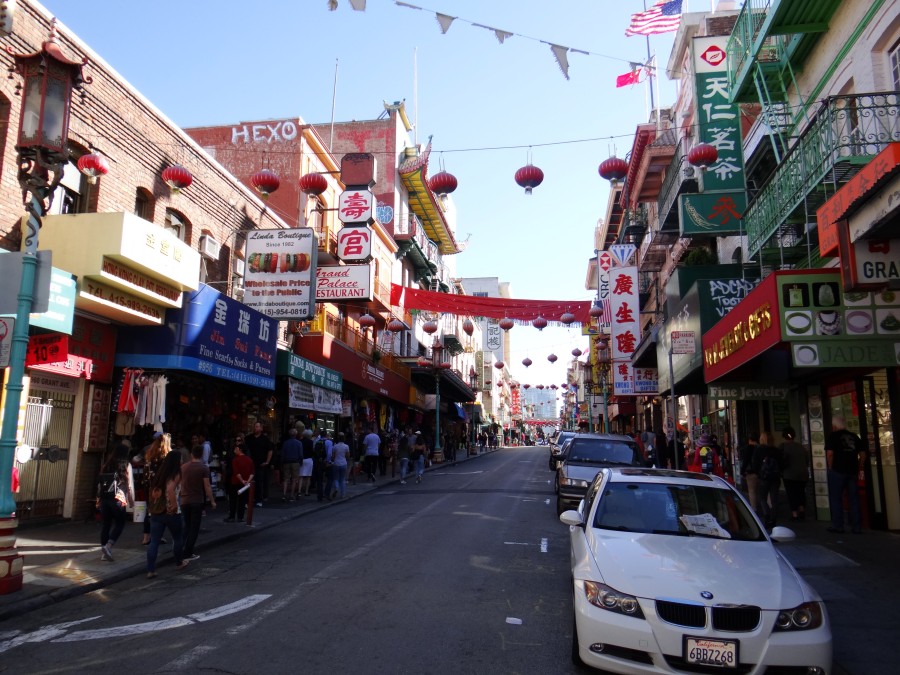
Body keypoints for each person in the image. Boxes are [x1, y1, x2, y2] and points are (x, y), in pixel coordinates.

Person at [146, 451, 188, 578]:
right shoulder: (176, 474)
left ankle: (151, 570)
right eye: (180, 459)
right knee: (177, 538)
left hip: (156, 512)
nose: (182, 461)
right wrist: (174, 504)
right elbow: (170, 489)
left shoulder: (160, 473)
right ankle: (179, 563)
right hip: (171, 512)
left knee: (154, 541)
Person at [825, 416, 865, 534]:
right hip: (852, 471)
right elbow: (863, 454)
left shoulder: (833, 436)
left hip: (838, 470)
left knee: (836, 498)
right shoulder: (854, 436)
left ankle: (838, 525)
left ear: (834, 426)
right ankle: (856, 526)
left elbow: (830, 454)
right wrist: (860, 466)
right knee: (854, 499)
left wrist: (831, 467)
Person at [181, 444, 216, 561]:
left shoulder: (184, 467)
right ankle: (188, 552)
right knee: (194, 528)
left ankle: (180, 548)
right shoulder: (204, 468)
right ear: (201, 455)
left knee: (186, 525)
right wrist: (212, 501)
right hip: (197, 500)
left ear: (191, 454)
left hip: (185, 500)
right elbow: (207, 486)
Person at [134, 431, 170, 546]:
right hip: (160, 486)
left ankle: (146, 537)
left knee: (149, 510)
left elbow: (135, 459)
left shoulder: (147, 449)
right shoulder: (165, 452)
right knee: (160, 511)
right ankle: (156, 536)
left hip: (148, 484)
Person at [97, 454, 134, 562]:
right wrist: (131, 501)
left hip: (105, 499)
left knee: (106, 524)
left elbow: (99, 484)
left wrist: (98, 499)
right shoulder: (126, 465)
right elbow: (129, 485)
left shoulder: (106, 465)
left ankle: (104, 553)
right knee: (120, 523)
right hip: (118, 499)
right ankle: (108, 546)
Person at [752, 431, 783, 529]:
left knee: (762, 497)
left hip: (763, 478)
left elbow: (755, 464)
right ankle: (774, 519)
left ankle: (767, 515)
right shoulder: (776, 450)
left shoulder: (758, 450)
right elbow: (781, 463)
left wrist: (758, 473)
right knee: (774, 499)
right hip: (775, 477)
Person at [780, 426, 809, 521]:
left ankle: (794, 514)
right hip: (803, 474)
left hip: (789, 474)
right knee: (801, 492)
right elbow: (806, 460)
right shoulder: (801, 447)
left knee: (791, 494)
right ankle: (802, 509)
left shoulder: (783, 446)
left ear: (784, 436)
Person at [243, 422, 273, 506]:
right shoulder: (248, 438)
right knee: (248, 481)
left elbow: (270, 450)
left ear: (261, 428)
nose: (255, 428)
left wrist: (267, 461)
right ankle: (248, 500)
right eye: (254, 426)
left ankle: (259, 499)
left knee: (259, 482)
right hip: (249, 464)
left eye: (257, 427)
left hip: (260, 464)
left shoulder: (265, 439)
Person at [225, 441, 254, 523]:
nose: (235, 449)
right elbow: (252, 473)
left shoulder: (235, 460)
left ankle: (232, 517)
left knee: (233, 500)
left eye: (236, 448)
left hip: (235, 482)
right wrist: (246, 481)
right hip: (245, 484)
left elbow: (236, 473)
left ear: (240, 449)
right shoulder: (249, 460)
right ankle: (240, 517)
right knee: (242, 500)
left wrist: (242, 480)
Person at [280, 428, 303, 501]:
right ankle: (292, 495)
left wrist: (282, 463)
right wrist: (300, 462)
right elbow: (301, 454)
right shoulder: (299, 443)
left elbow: (282, 454)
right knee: (294, 479)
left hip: (286, 462)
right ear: (296, 434)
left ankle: (284, 494)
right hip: (295, 462)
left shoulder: (285, 443)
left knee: (286, 479)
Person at [739, 432, 760, 511]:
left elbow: (745, 461)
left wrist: (742, 471)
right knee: (762, 491)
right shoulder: (760, 447)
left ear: (749, 440)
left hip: (751, 472)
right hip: (761, 472)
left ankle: (754, 508)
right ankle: (768, 508)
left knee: (752, 491)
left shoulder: (747, 448)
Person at [331, 432, 351, 499]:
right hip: (343, 463)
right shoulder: (346, 446)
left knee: (336, 478)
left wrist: (333, 460)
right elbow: (348, 456)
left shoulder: (335, 446)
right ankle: (343, 494)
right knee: (342, 480)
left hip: (336, 463)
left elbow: (333, 456)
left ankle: (336, 488)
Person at [299, 429, 315, 496]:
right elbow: (312, 451)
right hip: (309, 459)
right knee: (308, 476)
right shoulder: (311, 442)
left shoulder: (300, 441)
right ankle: (306, 491)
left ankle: (299, 491)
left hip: (302, 459)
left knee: (301, 476)